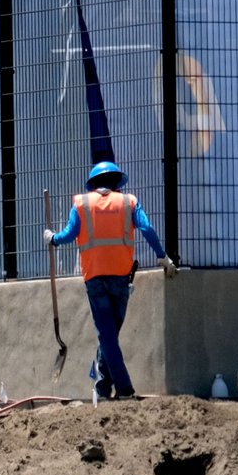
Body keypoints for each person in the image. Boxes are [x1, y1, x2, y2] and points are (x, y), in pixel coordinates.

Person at [46, 160, 177, 401]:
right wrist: (163, 257)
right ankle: (111, 388)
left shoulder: (82, 204)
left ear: (92, 184)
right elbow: (147, 228)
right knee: (109, 335)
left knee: (107, 336)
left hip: (95, 280)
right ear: (116, 182)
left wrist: (52, 238)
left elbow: (69, 235)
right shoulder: (129, 203)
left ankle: (110, 388)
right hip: (121, 279)